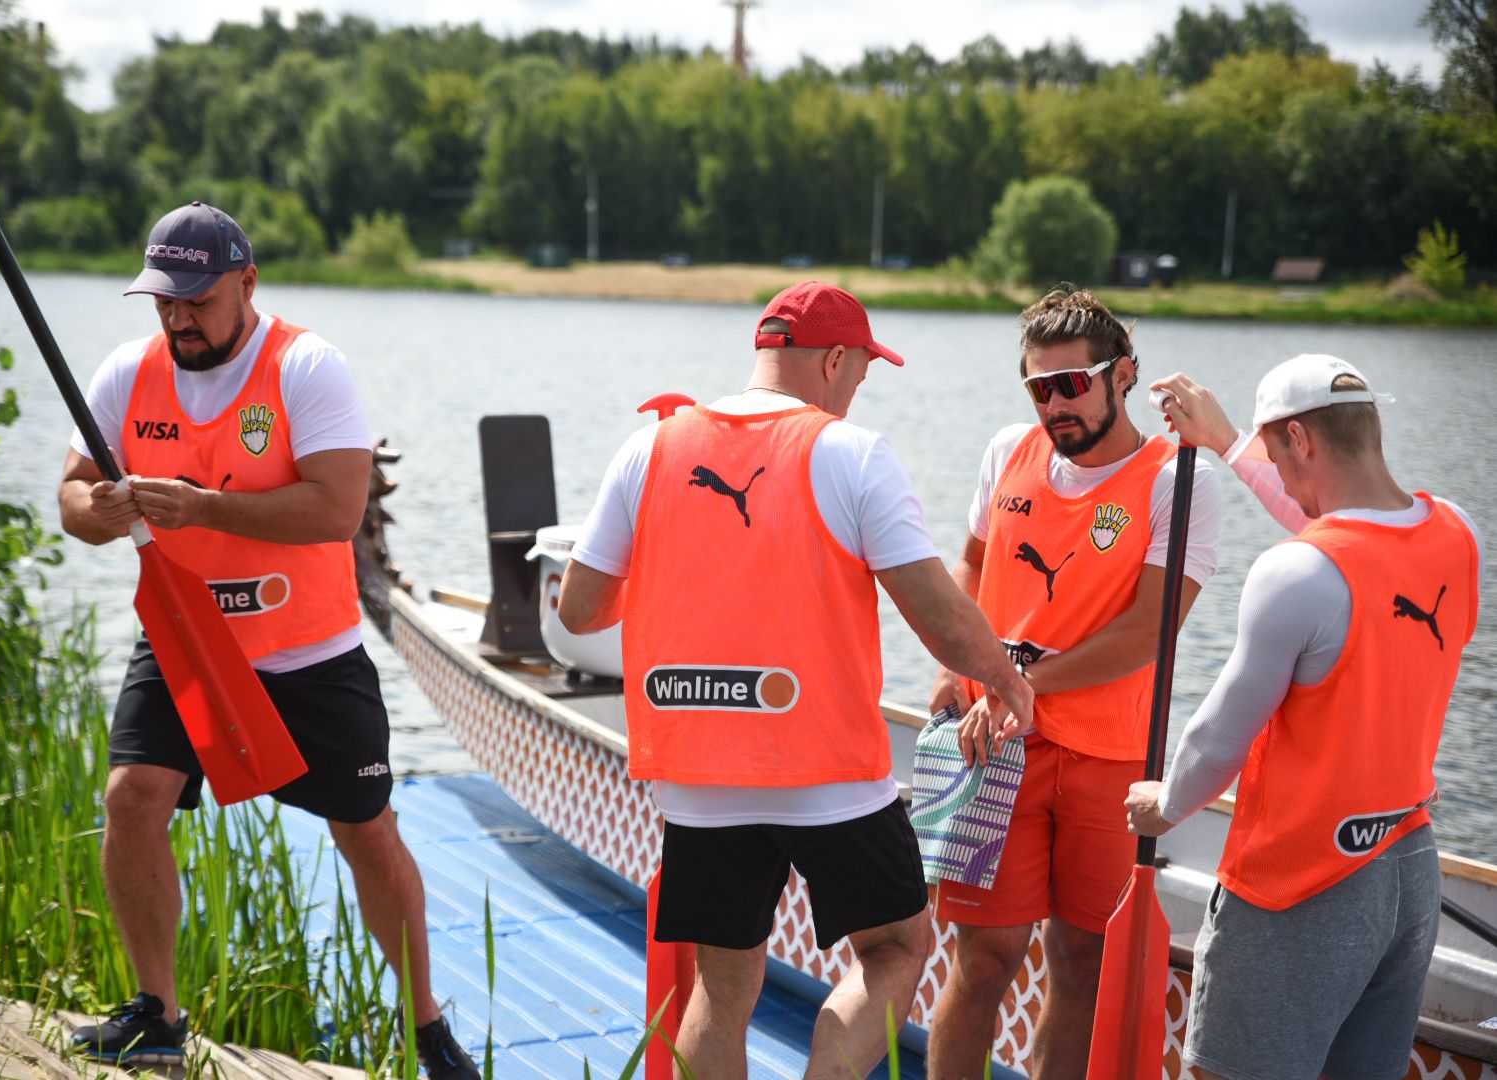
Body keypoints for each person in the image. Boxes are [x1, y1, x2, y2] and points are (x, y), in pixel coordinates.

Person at [556, 281, 1033, 1080]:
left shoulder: (653, 446)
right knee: (895, 945)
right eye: (860, 373)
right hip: (826, 774)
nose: (855, 391)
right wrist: (1005, 681)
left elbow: (578, 609)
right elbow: (939, 614)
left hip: (697, 773)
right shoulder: (851, 452)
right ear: (835, 360)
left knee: (724, 979)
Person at [58, 203, 478, 1078]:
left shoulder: (307, 365)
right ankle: (158, 1017)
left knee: (366, 835)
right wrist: (96, 509)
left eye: (197, 301)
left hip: (309, 653)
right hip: (183, 643)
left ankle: (428, 1026)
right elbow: (70, 497)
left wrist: (206, 507)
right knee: (132, 799)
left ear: (246, 283)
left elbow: (336, 508)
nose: (178, 319)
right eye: (163, 301)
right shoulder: (125, 373)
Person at [1129, 358, 1483, 1080]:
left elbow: (1219, 736)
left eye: (1273, 455)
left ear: (1301, 439)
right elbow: (1346, 540)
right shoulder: (1457, 533)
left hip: (1301, 879)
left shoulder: (1296, 573)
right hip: (1406, 870)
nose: (1277, 478)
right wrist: (1230, 442)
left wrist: (1164, 805)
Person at [924, 287, 1223, 1080]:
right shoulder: (1006, 453)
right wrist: (961, 666)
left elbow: (1146, 631)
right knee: (984, 959)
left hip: (1110, 761)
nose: (1052, 404)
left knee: (1081, 959)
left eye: (1071, 383)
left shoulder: (1179, 479)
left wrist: (1020, 681)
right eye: (1037, 387)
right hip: (993, 744)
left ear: (1123, 375)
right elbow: (973, 568)